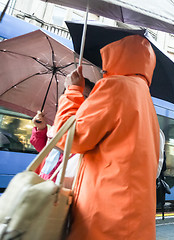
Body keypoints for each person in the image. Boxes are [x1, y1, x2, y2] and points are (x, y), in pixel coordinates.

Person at [52, 35, 160, 240]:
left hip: (104, 213)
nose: (103, 70)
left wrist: (72, 91)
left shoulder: (115, 86)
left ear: (117, 58)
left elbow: (69, 138)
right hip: (132, 217)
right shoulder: (145, 97)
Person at [30, 78, 95, 180]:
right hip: (44, 179)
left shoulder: (88, 128)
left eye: (84, 96)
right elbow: (44, 151)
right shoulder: (59, 123)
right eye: (71, 93)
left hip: (63, 186)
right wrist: (41, 129)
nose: (78, 99)